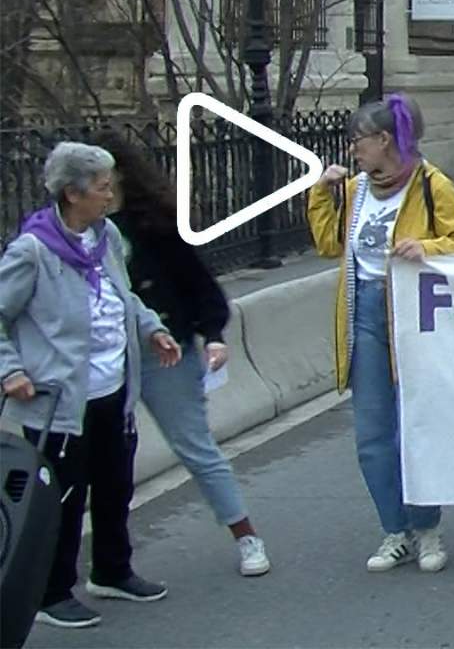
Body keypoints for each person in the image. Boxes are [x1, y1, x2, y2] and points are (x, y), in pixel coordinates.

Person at [1, 142, 183, 629]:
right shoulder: (33, 251)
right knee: (61, 499)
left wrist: (152, 328)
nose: (110, 194)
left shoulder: (106, 238)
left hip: (113, 388)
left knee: (114, 486)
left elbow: (122, 298)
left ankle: (112, 570)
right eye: (102, 188)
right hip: (60, 401)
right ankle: (51, 592)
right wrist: (10, 370)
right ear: (72, 193)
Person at [307, 94, 454, 573]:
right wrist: (321, 195)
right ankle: (395, 530)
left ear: (384, 140)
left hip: (413, 316)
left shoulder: (432, 184)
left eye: (358, 140)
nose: (352, 149)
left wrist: (426, 248)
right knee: (372, 433)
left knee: (415, 428)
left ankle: (427, 528)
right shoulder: (356, 190)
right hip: (364, 313)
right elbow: (330, 245)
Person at [98, 134, 270, 578]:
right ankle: (103, 564)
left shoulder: (152, 226)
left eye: (104, 176)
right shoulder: (78, 231)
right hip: (103, 356)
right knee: (103, 460)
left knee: (195, 446)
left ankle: (246, 536)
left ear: (121, 175)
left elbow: (197, 283)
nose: (99, 187)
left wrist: (212, 334)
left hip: (164, 352)